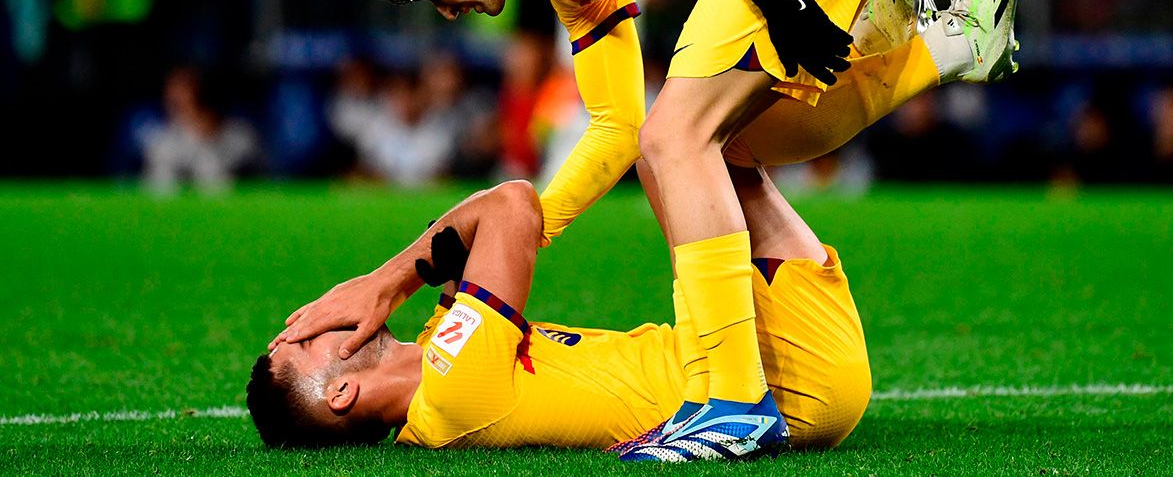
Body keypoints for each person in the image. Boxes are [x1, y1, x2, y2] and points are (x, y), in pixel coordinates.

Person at [334, 0, 1023, 460]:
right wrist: (522, 233)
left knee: (678, 137)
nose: (446, 13)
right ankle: (952, 42)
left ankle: (732, 401)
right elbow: (615, 128)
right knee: (719, 144)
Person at [248, 175, 872, 458]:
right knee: (681, 141)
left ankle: (907, 52)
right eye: (305, 340)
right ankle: (921, 56)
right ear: (343, 393)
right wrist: (384, 285)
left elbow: (466, 230)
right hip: (789, 386)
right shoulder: (451, 391)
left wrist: (393, 288)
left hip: (757, 361)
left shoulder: (441, 345)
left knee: (679, 143)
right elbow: (512, 207)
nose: (317, 316)